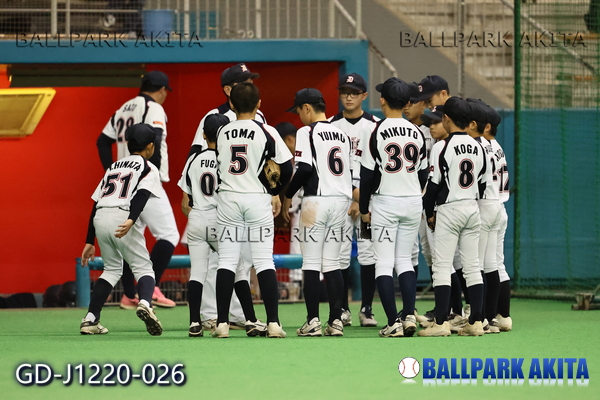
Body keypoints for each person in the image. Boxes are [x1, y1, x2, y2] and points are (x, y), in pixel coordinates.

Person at [187, 63, 270, 331]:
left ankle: (237, 314)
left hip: (250, 195)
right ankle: (211, 313)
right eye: (243, 81)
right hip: (218, 200)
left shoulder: (259, 116)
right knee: (217, 260)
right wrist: (189, 194)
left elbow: (266, 159)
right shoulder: (214, 116)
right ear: (227, 89)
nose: (249, 84)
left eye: (251, 80)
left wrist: (272, 192)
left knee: (243, 258)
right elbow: (197, 155)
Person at [212, 82, 293, 338]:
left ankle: (222, 324)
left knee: (226, 261)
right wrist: (273, 189)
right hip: (257, 198)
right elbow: (287, 168)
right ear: (259, 104)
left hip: (229, 198)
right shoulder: (266, 131)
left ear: (231, 104)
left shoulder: (222, 131)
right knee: (264, 260)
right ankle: (273, 323)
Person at [97, 70, 179, 310]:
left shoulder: (123, 108)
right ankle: (151, 287)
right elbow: (156, 139)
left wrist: (111, 171)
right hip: (144, 179)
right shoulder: (153, 107)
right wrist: (151, 172)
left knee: (131, 238)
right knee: (169, 235)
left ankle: (129, 293)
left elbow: (102, 141)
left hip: (123, 182)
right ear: (162, 90)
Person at [359, 78, 428, 338]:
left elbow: (367, 175)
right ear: (407, 103)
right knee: (405, 260)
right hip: (412, 201)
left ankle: (392, 323)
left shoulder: (376, 129)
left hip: (386, 201)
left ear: (382, 100)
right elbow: (423, 173)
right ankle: (408, 314)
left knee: (384, 263)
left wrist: (364, 207)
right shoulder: (417, 132)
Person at [80, 123, 163, 336]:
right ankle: (145, 303)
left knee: (111, 270)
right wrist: (132, 219)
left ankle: (90, 319)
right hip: (122, 216)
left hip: (100, 218)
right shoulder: (148, 167)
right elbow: (142, 195)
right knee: (144, 269)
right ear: (150, 146)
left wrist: (89, 240)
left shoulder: (114, 166)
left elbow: (95, 202)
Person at [419, 97, 487, 337]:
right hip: (472, 207)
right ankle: (476, 321)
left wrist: (429, 213)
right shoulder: (479, 145)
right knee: (472, 266)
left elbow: (433, 186)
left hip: (449, 208)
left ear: (447, 118)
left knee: (442, 265)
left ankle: (440, 323)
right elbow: (482, 183)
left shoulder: (442, 146)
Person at [329, 73, 379, 327]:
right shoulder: (330, 125)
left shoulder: (375, 125)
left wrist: (362, 200)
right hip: (340, 198)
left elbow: (380, 166)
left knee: (368, 252)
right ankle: (343, 308)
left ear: (364, 96)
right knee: (339, 253)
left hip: (369, 200)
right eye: (344, 92)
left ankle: (367, 308)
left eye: (354, 92)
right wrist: (353, 195)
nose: (348, 97)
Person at [465, 98, 502, 334]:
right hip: (495, 203)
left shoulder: (474, 145)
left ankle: (479, 318)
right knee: (491, 264)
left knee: (476, 265)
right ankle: (491, 317)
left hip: (483, 204)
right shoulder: (491, 144)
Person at [481, 106, 512, 331]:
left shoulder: (482, 145)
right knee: (496, 264)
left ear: (487, 126)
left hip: (487, 206)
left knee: (482, 265)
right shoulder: (497, 146)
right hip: (500, 207)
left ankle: (485, 315)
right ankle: (503, 316)